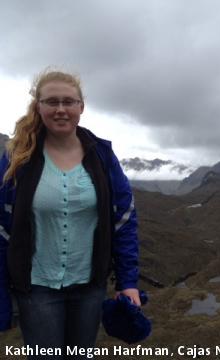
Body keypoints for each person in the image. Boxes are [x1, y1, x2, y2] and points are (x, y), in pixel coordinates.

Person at [0, 69, 140, 358]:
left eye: (68, 101)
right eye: (52, 102)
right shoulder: (16, 158)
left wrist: (128, 283)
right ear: (38, 106)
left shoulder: (102, 156)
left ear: (81, 107)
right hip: (36, 288)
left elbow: (124, 221)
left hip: (90, 287)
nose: (60, 109)